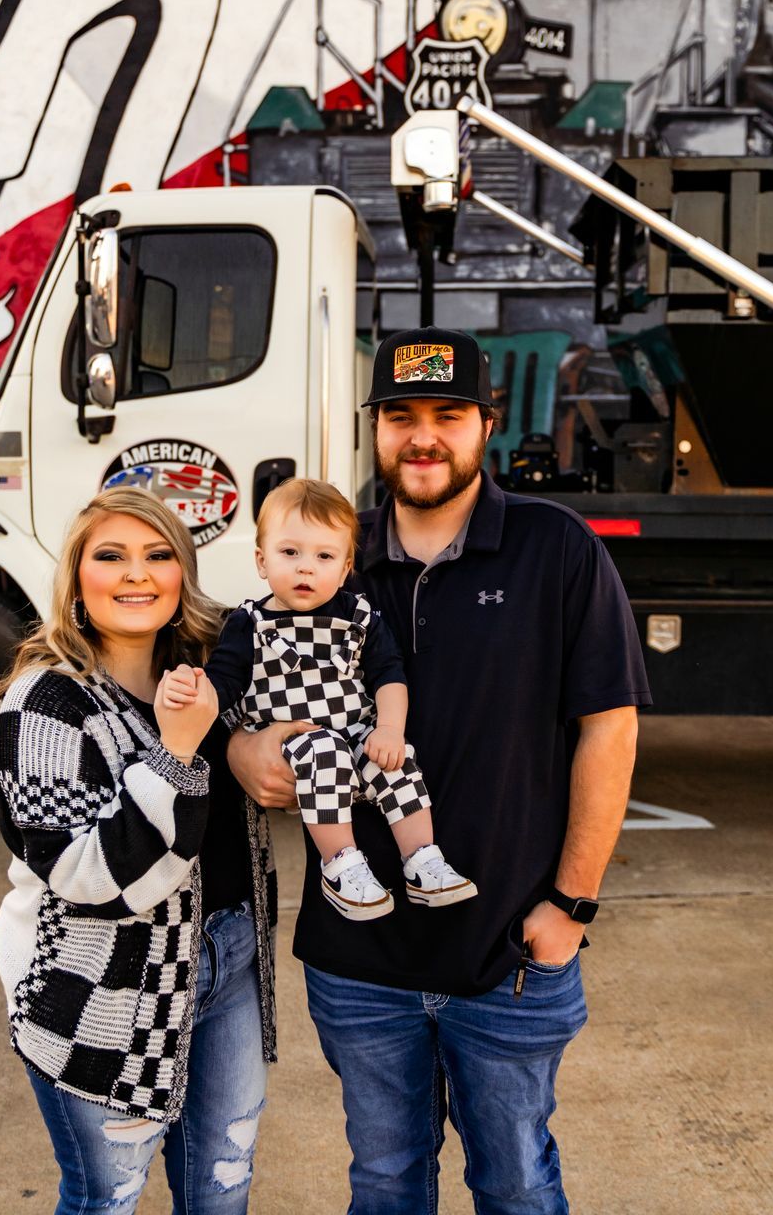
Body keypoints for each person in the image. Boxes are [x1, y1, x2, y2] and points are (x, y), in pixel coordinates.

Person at [229, 327, 652, 1213]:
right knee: (384, 1185)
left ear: (486, 424)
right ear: (373, 429)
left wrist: (569, 907)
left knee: (517, 1186)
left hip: (510, 956)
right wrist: (244, 750)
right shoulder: (327, 556)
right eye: (400, 415)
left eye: (448, 414)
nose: (423, 436)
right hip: (360, 960)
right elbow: (239, 695)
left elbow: (609, 733)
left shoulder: (556, 549)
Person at [0, 486, 278, 1215]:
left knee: (222, 1187)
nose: (136, 575)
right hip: (105, 990)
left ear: (182, 576)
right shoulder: (46, 703)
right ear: (77, 580)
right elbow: (89, 878)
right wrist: (176, 752)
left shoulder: (210, 672)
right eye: (110, 556)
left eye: (158, 556)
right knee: (107, 1199)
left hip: (228, 959)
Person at [200, 476, 476, 921]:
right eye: (290, 553)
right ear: (261, 560)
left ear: (346, 566)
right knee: (322, 747)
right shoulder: (249, 623)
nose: (306, 568)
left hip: (355, 737)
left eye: (324, 556)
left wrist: (388, 729)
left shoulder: (359, 616)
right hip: (295, 745)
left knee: (395, 760)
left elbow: (389, 674)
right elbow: (223, 682)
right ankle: (342, 865)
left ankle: (423, 861)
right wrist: (197, 696)